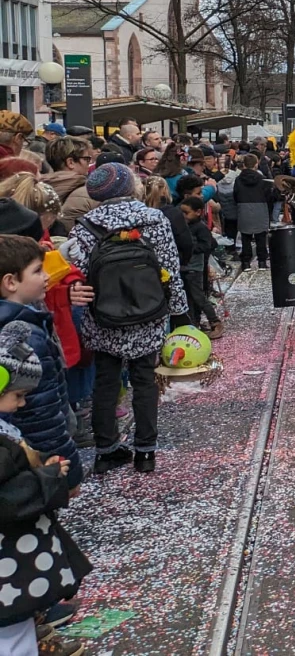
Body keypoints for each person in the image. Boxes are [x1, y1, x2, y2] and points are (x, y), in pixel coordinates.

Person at [69, 162, 188, 473]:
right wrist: (178, 312)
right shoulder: (153, 218)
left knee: (106, 382)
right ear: (128, 187)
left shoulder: (84, 224)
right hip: (148, 312)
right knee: (145, 381)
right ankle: (145, 452)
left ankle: (106, 450)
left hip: (104, 315)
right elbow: (170, 269)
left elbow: (80, 271)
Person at [0, 334, 92, 656]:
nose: (22, 403)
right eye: (18, 395)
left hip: (13, 565)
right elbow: (8, 497)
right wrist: (48, 478)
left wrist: (40, 466)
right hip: (9, 565)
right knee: (11, 635)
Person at [0, 231, 85, 493]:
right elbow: (41, 413)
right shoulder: (26, 338)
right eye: (38, 271)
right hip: (37, 457)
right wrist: (65, 470)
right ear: (11, 282)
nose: (47, 277)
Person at [178, 197, 221, 335]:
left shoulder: (200, 227)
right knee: (189, 298)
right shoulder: (185, 226)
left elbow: (207, 245)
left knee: (199, 297)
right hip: (185, 267)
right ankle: (194, 324)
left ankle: (214, 321)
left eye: (186, 212)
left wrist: (189, 248)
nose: (183, 216)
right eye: (182, 212)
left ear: (198, 212)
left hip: (194, 268)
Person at [40, 138, 94, 231]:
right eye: (87, 159)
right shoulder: (87, 192)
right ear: (71, 162)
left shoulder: (36, 187)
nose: (89, 164)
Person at [232, 153, 271, 270]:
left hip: (243, 207)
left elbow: (235, 194)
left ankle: (246, 262)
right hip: (261, 207)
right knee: (261, 237)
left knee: (246, 237)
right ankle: (262, 262)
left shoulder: (238, 179)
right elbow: (269, 195)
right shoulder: (262, 179)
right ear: (256, 164)